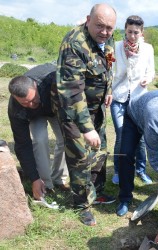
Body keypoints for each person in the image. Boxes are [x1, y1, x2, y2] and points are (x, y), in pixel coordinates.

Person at [52, 3, 117, 226]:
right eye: (100, 26)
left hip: (97, 106)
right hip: (73, 110)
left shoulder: (108, 38)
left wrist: (108, 90)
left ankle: (96, 192)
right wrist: (86, 128)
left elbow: (109, 64)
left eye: (110, 28)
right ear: (88, 20)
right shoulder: (74, 44)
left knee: (100, 152)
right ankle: (82, 205)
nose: (105, 32)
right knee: (79, 156)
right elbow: (71, 91)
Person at [8, 63, 69, 201]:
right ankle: (45, 183)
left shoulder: (53, 78)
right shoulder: (16, 109)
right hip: (35, 116)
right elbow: (22, 145)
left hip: (55, 105)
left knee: (66, 138)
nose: (30, 105)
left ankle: (59, 179)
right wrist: (33, 178)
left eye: (32, 100)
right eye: (25, 103)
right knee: (40, 139)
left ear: (35, 86)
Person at [110, 15, 155, 185]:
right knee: (121, 134)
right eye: (129, 32)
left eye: (136, 32)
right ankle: (117, 170)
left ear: (142, 32)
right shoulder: (116, 47)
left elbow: (150, 71)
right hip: (119, 96)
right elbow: (110, 71)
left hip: (138, 98)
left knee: (141, 137)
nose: (132, 36)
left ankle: (140, 170)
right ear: (125, 29)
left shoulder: (148, 49)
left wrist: (147, 79)